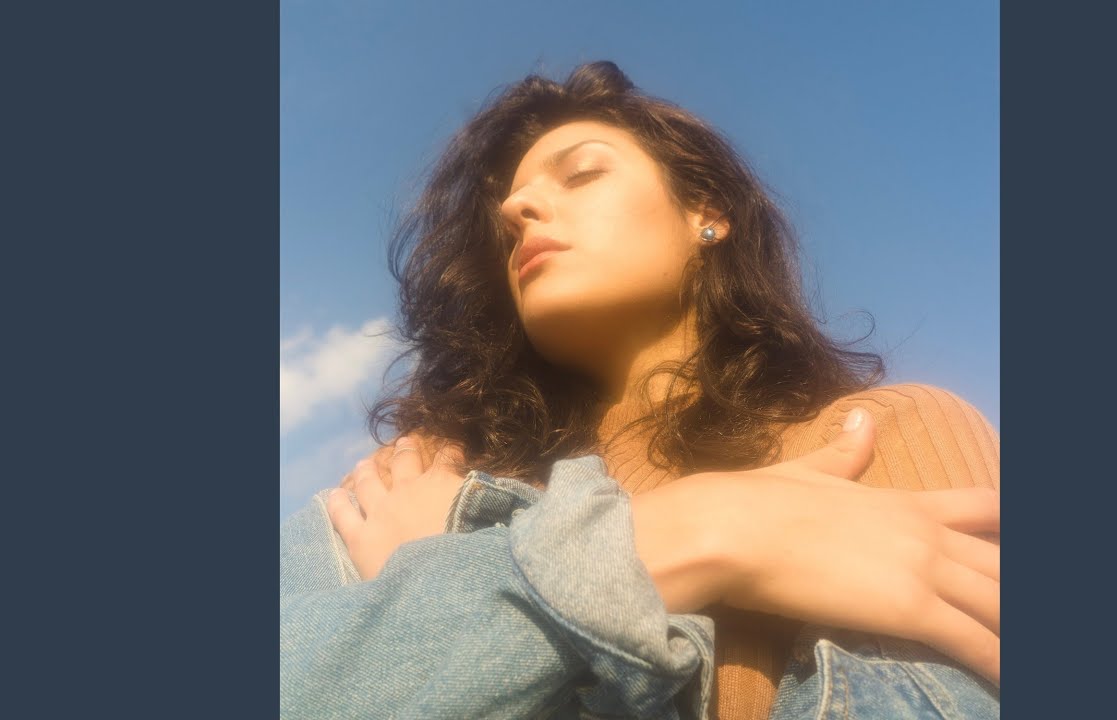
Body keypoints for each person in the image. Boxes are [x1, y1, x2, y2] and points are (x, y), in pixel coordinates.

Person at [281, 60, 999, 720]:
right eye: (508, 218)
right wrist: (691, 534)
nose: (518, 210)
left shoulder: (872, 436)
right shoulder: (417, 480)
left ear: (706, 214)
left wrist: (445, 597)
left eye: (582, 174)